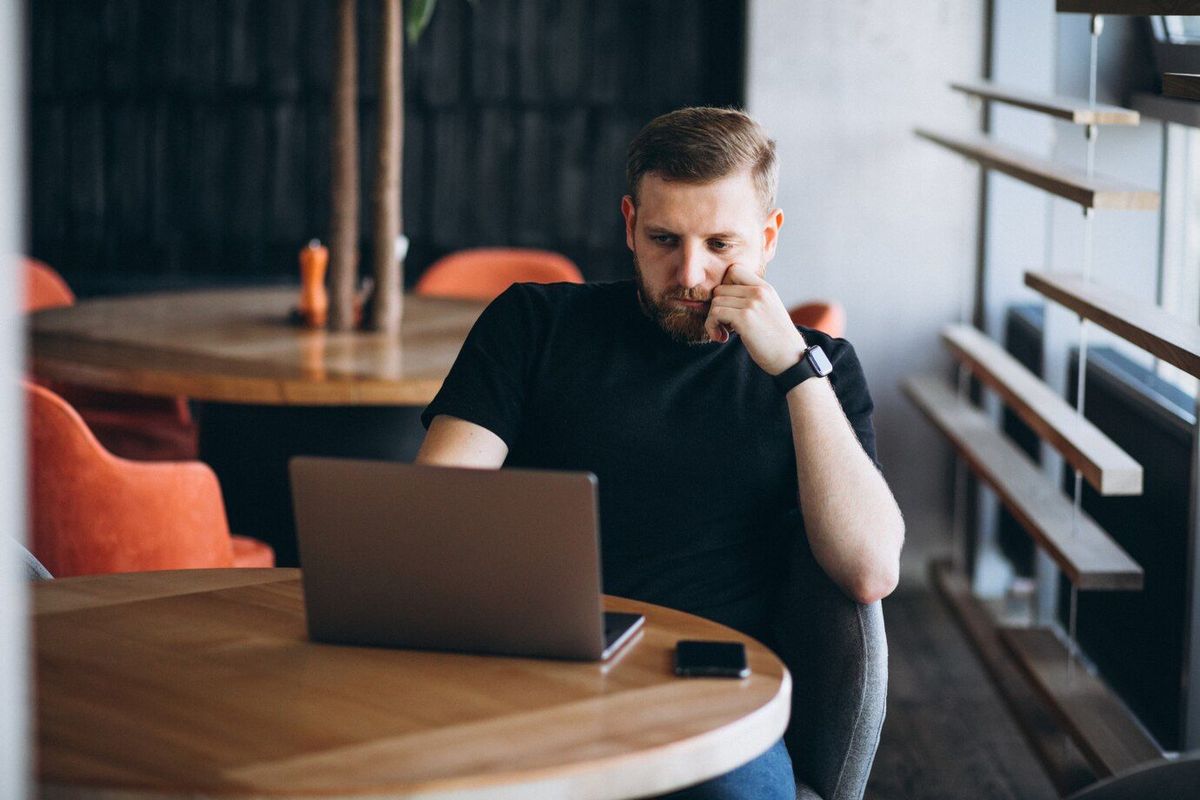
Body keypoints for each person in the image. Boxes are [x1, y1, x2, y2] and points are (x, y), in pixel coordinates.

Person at [416, 106, 905, 800]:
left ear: (768, 237)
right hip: (527, 679)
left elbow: (869, 570)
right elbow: (432, 515)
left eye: (721, 245)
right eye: (664, 239)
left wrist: (796, 372)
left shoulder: (822, 369)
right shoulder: (534, 324)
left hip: (706, 701)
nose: (691, 273)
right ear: (628, 225)